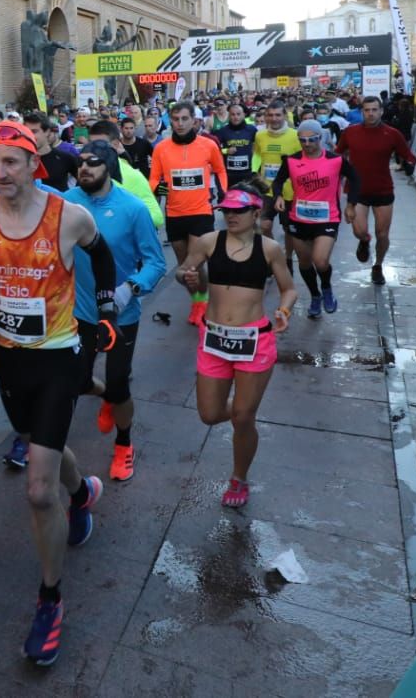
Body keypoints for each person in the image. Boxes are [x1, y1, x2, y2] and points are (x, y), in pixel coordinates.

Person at [0, 120, 114, 667]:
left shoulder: (69, 216)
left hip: (58, 356)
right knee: (33, 439)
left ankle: (49, 600)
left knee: (36, 488)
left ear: (32, 164)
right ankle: (84, 490)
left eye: (10, 163)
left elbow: (102, 255)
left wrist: (106, 312)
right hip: (9, 358)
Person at [175, 187, 299, 508]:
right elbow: (184, 270)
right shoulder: (209, 242)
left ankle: (239, 477)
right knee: (210, 414)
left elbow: (289, 289)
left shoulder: (270, 248)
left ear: (256, 214)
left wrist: (284, 311)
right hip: (214, 339)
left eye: (238, 211)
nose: (230, 215)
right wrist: (188, 277)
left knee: (242, 418)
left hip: (254, 340)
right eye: (225, 210)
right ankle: (246, 405)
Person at [62, 141, 167, 482]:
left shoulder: (132, 209)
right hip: (76, 313)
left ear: (108, 166)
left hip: (121, 314)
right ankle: (105, 396)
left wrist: (131, 288)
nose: (84, 169)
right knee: (75, 380)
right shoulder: (66, 204)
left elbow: (156, 262)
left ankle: (124, 444)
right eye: (80, 164)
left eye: (92, 163)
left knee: (120, 383)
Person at [149, 102, 228, 327]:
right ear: (170, 121)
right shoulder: (161, 148)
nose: (180, 123)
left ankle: (202, 303)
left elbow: (220, 170)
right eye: (176, 119)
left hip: (201, 212)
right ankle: (197, 298)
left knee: (194, 265)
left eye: (185, 119)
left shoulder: (208, 145)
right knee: (184, 267)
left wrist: (223, 193)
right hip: (174, 214)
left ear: (194, 120)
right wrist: (163, 190)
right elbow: (154, 179)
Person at [272, 120, 360, 319]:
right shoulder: (291, 161)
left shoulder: (335, 160)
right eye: (302, 140)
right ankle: (315, 295)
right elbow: (278, 180)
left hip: (327, 219)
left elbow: (355, 178)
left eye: (312, 139)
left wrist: (351, 204)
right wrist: (278, 195)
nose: (307, 144)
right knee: (304, 261)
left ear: (320, 138)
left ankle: (327, 289)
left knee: (320, 261)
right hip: (299, 219)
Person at [338, 96, 416, 286]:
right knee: (359, 231)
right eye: (367, 110)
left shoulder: (392, 134)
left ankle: (378, 266)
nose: (371, 113)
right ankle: (364, 241)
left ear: (381, 111)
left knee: (382, 234)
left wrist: (412, 162)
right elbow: (338, 154)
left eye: (374, 109)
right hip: (357, 190)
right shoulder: (350, 132)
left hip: (382, 190)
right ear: (362, 112)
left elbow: (408, 155)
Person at [253, 103, 302, 255]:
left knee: (289, 230)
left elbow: (302, 162)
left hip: (289, 192)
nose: (274, 119)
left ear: (285, 116)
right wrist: (255, 172)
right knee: (263, 226)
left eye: (278, 115)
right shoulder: (260, 135)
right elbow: (257, 155)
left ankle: (287, 258)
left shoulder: (295, 136)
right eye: (270, 115)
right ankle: (275, 254)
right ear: (266, 116)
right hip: (267, 191)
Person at [214, 102, 261, 189]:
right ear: (229, 116)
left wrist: (256, 169)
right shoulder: (223, 131)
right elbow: (214, 151)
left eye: (238, 114)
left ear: (244, 115)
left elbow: (259, 150)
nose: (236, 117)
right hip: (229, 174)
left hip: (247, 174)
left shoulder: (251, 130)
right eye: (233, 114)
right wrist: (226, 151)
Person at [33, 114, 80, 190]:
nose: (30, 135)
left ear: (47, 132)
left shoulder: (65, 157)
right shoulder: (22, 159)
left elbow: (84, 180)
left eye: (34, 131)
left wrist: (72, 196)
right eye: (27, 131)